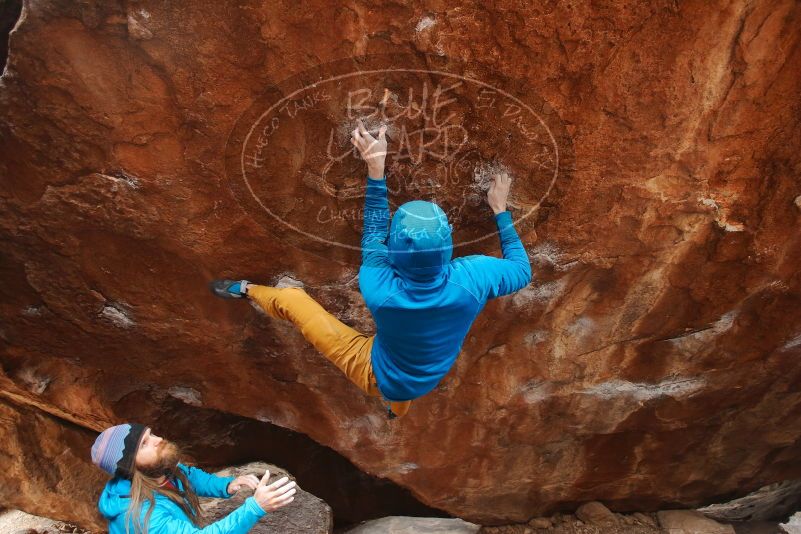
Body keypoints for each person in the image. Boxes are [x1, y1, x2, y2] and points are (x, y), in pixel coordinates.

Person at [211, 119, 532, 418]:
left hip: (376, 371)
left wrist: (375, 168)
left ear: (393, 249)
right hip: (429, 377)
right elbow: (521, 270)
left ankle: (247, 290)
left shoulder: (380, 288)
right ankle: (395, 410)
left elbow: (374, 231)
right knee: (401, 396)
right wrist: (500, 211)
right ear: (447, 245)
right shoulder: (474, 278)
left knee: (292, 300)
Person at [92, 423, 296, 533]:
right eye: (144, 444)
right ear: (129, 466)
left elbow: (189, 476)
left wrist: (226, 485)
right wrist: (255, 507)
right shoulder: (142, 518)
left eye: (151, 434)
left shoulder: (160, 470)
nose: (159, 440)